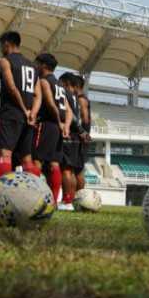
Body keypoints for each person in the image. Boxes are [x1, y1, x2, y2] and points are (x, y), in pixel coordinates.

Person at [0, 31, 39, 179]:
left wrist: (24, 110)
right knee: (27, 160)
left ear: (7, 43)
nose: (1, 48)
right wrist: (33, 113)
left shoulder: (5, 61)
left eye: (1, 45)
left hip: (10, 113)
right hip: (29, 118)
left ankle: (2, 195)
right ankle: (32, 195)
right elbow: (38, 95)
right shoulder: (33, 66)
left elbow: (12, 88)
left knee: (4, 154)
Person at [32, 53, 70, 204]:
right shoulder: (60, 85)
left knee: (37, 160)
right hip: (58, 127)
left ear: (43, 66)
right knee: (54, 163)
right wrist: (65, 125)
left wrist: (57, 121)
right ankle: (53, 201)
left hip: (47, 124)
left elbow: (50, 103)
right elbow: (68, 109)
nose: (35, 66)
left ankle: (32, 197)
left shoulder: (43, 81)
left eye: (37, 63)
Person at [59, 72, 91, 209]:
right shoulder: (77, 98)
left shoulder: (77, 98)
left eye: (61, 83)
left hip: (73, 135)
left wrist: (84, 133)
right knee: (75, 170)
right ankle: (75, 200)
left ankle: (68, 200)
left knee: (69, 170)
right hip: (78, 135)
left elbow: (84, 119)